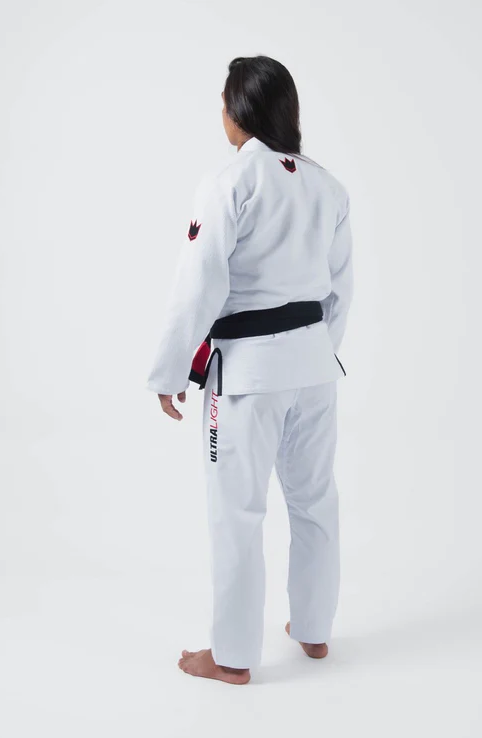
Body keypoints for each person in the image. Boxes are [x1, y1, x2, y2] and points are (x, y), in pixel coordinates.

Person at [146, 55, 353, 685]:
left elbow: (199, 283)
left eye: (224, 103)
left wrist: (170, 371)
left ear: (241, 110)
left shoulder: (230, 182)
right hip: (315, 367)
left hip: (248, 377)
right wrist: (313, 353)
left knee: (237, 511)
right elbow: (340, 289)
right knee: (314, 500)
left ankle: (233, 656)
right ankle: (313, 629)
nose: (221, 114)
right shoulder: (327, 186)